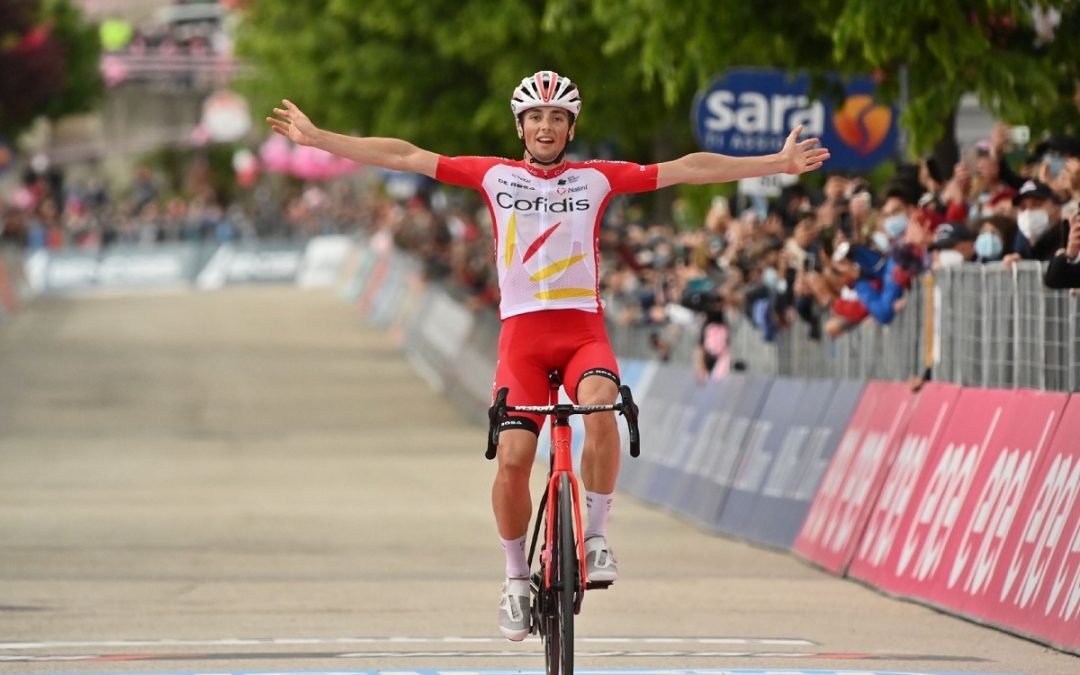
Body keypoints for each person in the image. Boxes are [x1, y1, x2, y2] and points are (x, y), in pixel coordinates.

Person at [266, 70, 829, 640]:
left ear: (570, 127)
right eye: (535, 117)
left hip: (583, 332)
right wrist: (323, 139)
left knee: (603, 405)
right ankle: (514, 578)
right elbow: (408, 155)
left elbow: (686, 168)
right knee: (512, 459)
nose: (546, 126)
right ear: (521, 125)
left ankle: (598, 534)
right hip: (522, 342)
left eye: (557, 117)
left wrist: (773, 164)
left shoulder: (596, 180)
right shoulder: (493, 174)